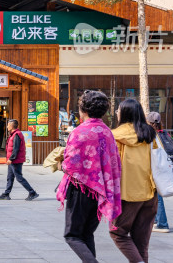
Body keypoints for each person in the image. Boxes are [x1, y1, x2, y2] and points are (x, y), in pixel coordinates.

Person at [56, 90, 121, 263]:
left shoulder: (80, 132)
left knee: (72, 235)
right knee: (87, 233)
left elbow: (69, 165)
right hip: (100, 191)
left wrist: (60, 164)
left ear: (83, 110)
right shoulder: (107, 132)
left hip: (80, 189)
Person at [110, 98, 157, 263]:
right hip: (151, 193)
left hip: (127, 194)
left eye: (118, 110)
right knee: (141, 243)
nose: (116, 112)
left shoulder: (115, 136)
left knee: (117, 232)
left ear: (124, 113)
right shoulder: (150, 134)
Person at [147, 111, 173, 234]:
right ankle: (156, 221)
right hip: (166, 167)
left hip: (156, 168)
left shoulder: (151, 135)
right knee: (156, 195)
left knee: (157, 197)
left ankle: (162, 223)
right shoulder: (164, 133)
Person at [0, 119, 39, 201]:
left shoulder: (17, 135)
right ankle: (6, 194)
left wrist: (11, 159)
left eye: (8, 125)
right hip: (13, 160)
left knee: (19, 177)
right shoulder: (13, 134)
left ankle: (32, 192)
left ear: (12, 126)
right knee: (10, 177)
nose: (7, 126)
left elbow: (16, 149)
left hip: (16, 161)